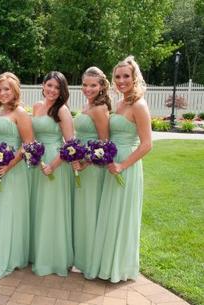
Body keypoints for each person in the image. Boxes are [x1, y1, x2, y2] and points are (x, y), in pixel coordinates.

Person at [87, 56, 152, 282]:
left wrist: (123, 165)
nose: (122, 80)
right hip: (112, 163)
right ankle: (107, 264)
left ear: (135, 77)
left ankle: (120, 268)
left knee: (123, 215)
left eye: (126, 76)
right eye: (118, 76)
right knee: (110, 214)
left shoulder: (139, 105)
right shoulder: (120, 103)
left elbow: (146, 144)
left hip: (127, 165)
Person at [0, 72, 33, 279]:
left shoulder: (20, 113)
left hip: (12, 169)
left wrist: (8, 165)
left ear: (15, 91)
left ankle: (9, 256)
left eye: (7, 89)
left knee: (8, 211)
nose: (3, 93)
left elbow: (28, 143)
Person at [30, 71, 74, 276]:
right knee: (38, 207)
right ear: (43, 85)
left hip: (55, 163)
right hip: (37, 162)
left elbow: (71, 145)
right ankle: (37, 252)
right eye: (49, 85)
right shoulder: (37, 107)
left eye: (57, 88)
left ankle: (53, 259)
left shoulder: (62, 110)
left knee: (51, 209)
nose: (52, 91)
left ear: (62, 91)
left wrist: (53, 165)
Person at [72, 67, 110, 277]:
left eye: (93, 85)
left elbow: (104, 143)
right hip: (81, 163)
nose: (88, 88)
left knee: (89, 211)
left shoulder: (99, 108)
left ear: (102, 86)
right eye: (85, 85)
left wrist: (86, 162)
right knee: (82, 211)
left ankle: (89, 260)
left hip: (92, 167)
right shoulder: (89, 105)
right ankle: (82, 255)